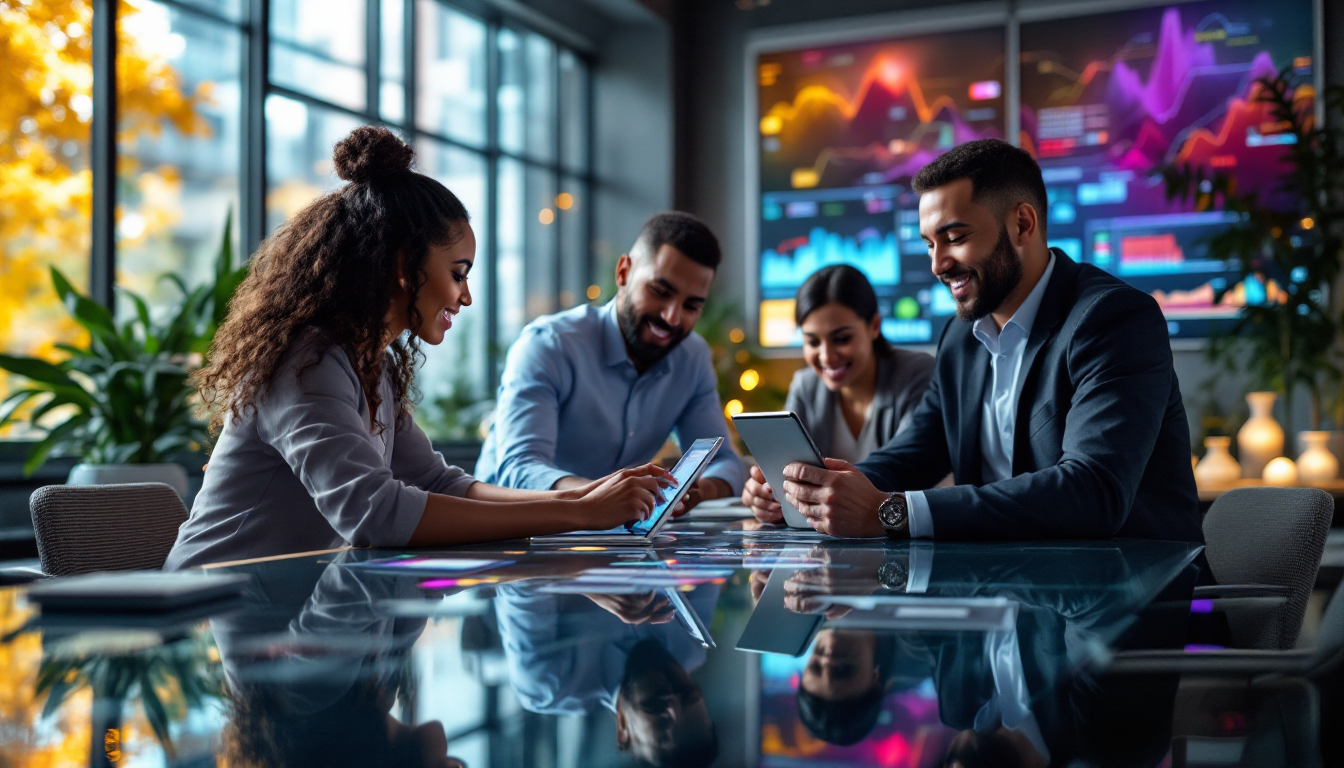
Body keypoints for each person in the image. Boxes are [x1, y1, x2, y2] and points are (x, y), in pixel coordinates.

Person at [164, 126, 673, 570]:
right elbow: (375, 513)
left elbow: (438, 482)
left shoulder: (371, 365)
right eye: (458, 274)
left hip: (281, 617)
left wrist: (588, 495)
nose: (466, 296)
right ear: (406, 266)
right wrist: (578, 513)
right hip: (205, 622)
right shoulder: (307, 362)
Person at [743, 138, 1203, 544]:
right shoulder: (962, 338)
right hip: (1009, 598)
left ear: (1023, 224)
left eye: (955, 237)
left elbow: (1093, 491)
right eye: (928, 244)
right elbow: (914, 454)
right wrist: (814, 490)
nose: (938, 265)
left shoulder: (1113, 320)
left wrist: (892, 512)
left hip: (1120, 608)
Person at [475, 211, 746, 508]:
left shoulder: (692, 358)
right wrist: (606, 497)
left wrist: (697, 490)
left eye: (691, 305)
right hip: (506, 528)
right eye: (660, 291)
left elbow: (725, 465)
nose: (672, 317)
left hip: (612, 533)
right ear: (623, 273)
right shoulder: (549, 344)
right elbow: (519, 470)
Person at [785, 264, 934, 462]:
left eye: (842, 339)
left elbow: (908, 468)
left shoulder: (918, 374)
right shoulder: (805, 386)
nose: (826, 357)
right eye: (812, 342)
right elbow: (785, 466)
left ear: (874, 326)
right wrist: (766, 487)